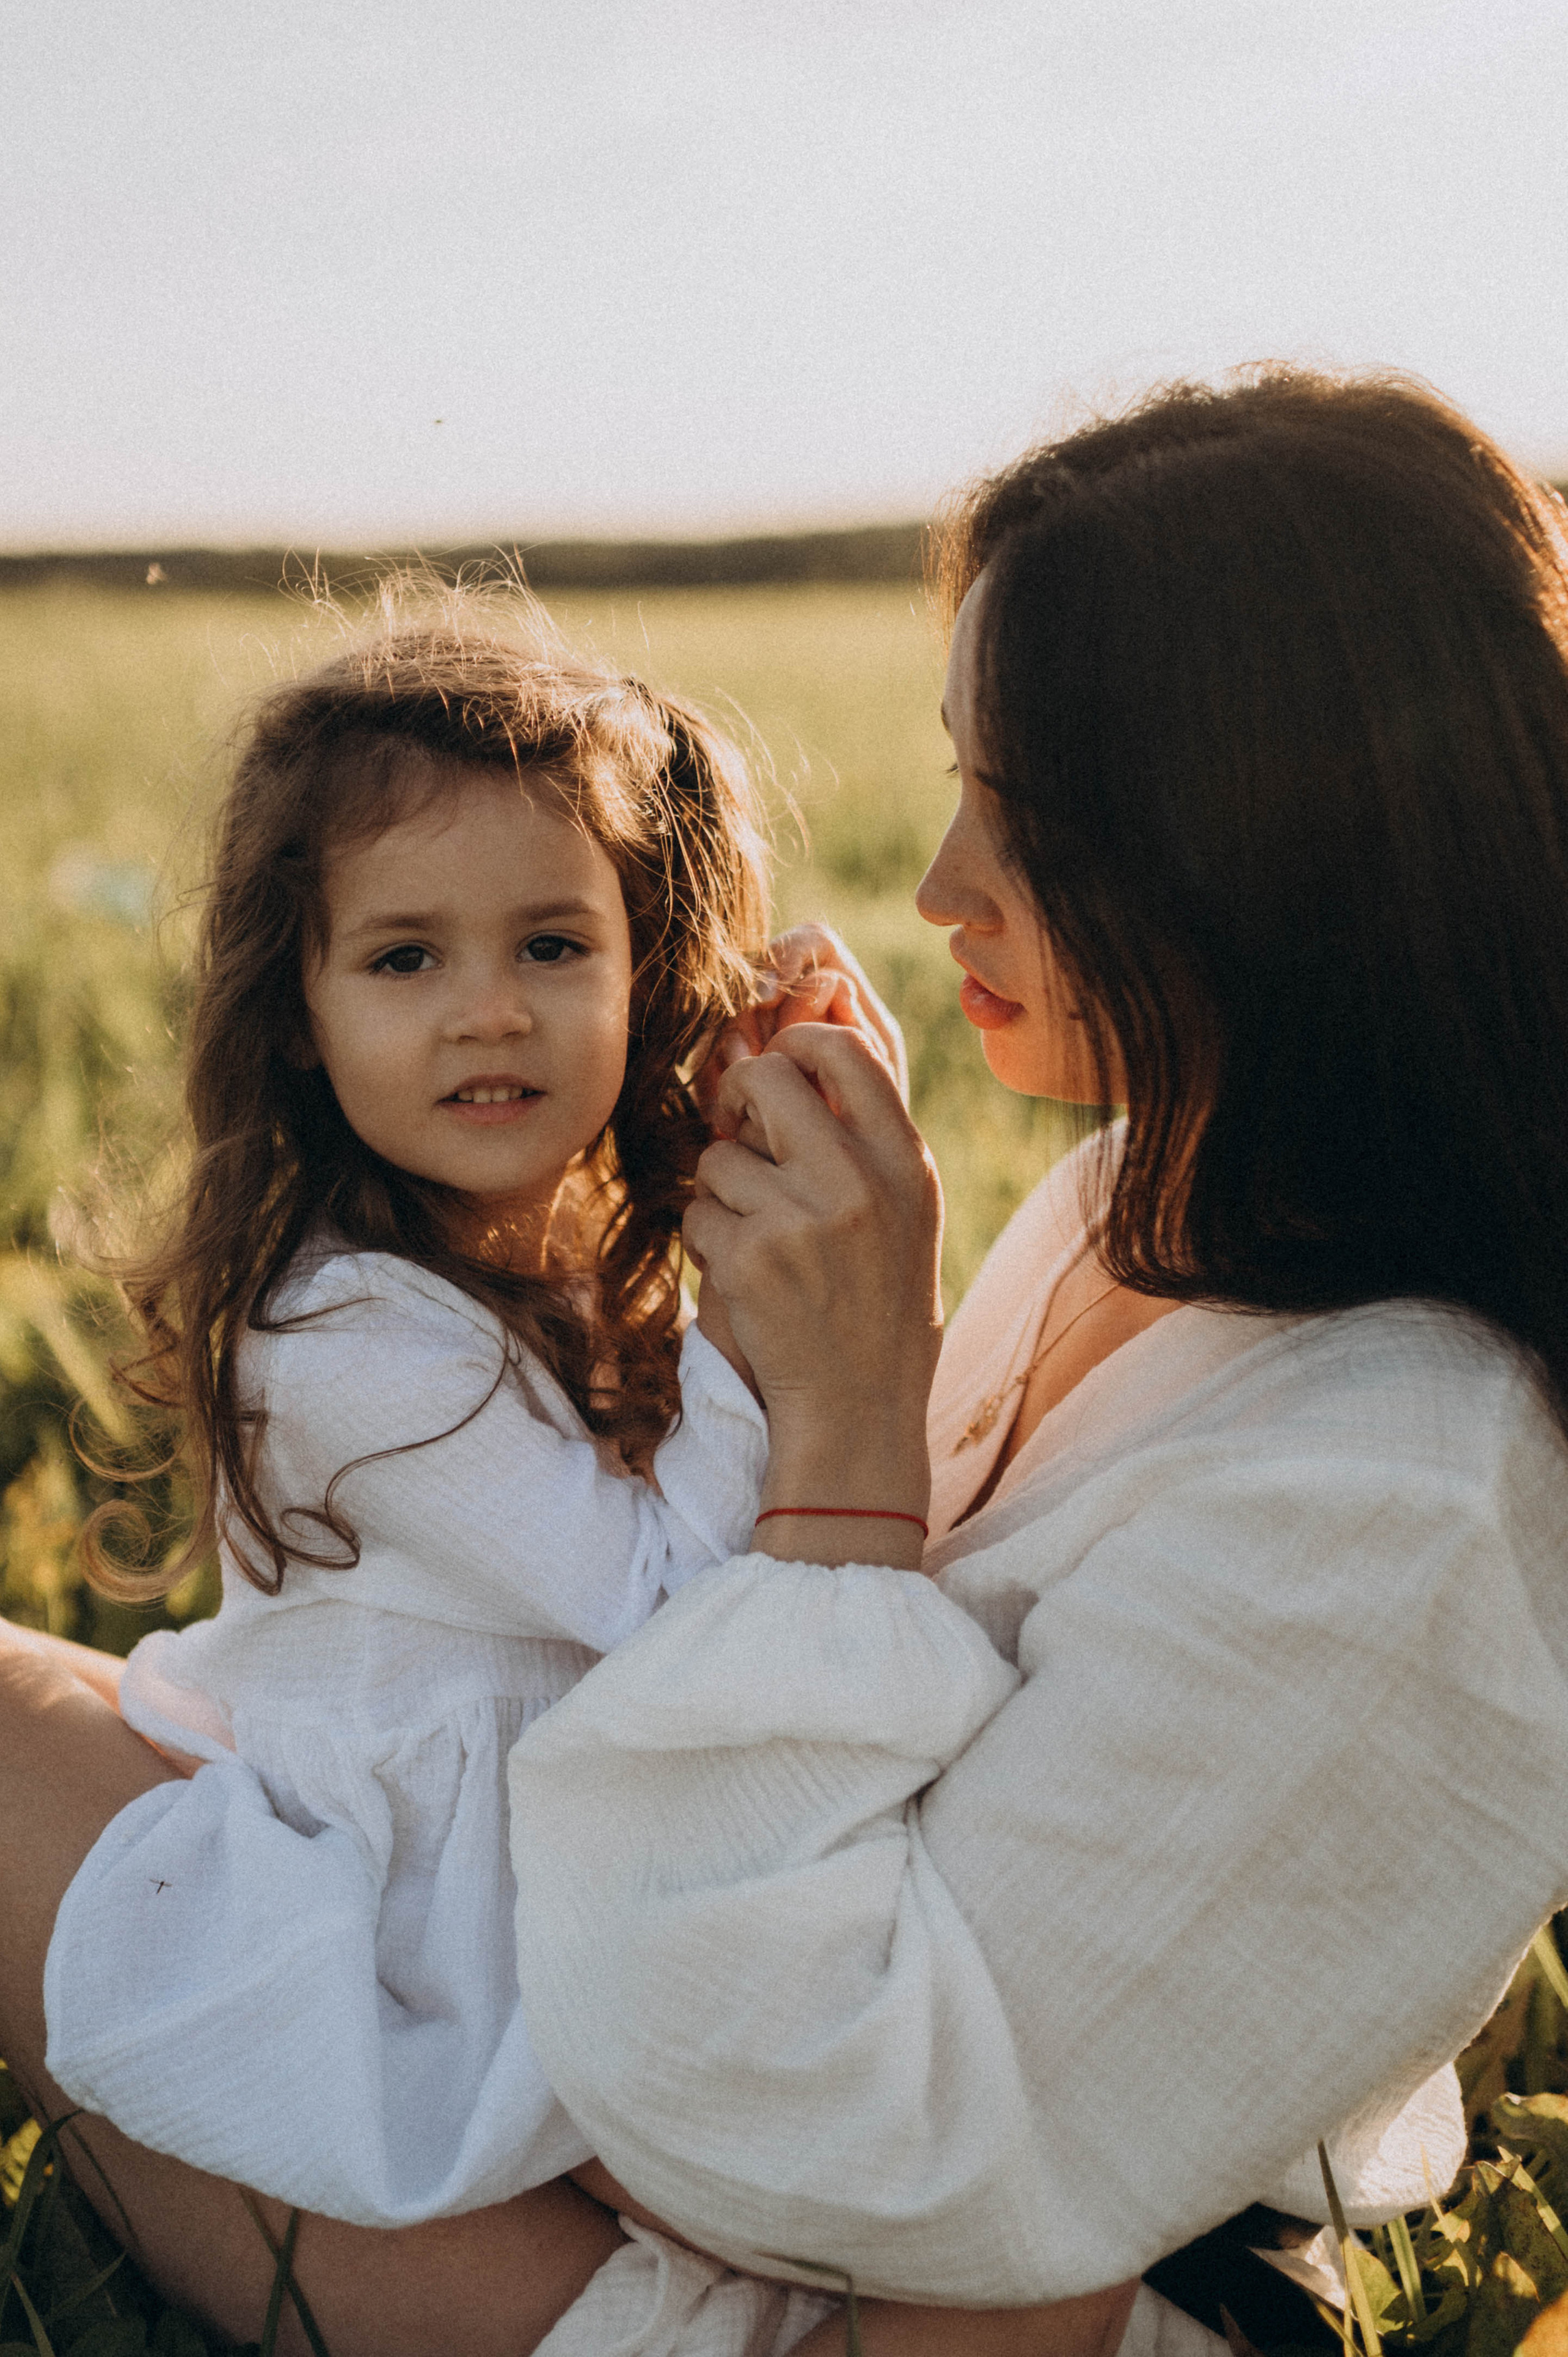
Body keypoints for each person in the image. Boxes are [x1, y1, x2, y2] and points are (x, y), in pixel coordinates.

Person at [1, 363, 1563, 2356]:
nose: (939, 894)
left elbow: (801, 2122)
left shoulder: (1410, 1485)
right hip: (742, 2091)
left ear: (1273, 853)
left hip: (941, 2274)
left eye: (1039, 817)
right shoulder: (1138, 1202)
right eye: (957, 787)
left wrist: (834, 1425)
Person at [32, 597, 813, 2230]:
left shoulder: (591, 1253)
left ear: (641, 964)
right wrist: (777, 1335)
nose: (492, 1009)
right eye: (407, 958)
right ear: (300, 1018)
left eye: (552, 944)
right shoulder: (339, 1336)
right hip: (432, 1933)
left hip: (585, 1853)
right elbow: (671, 1612)